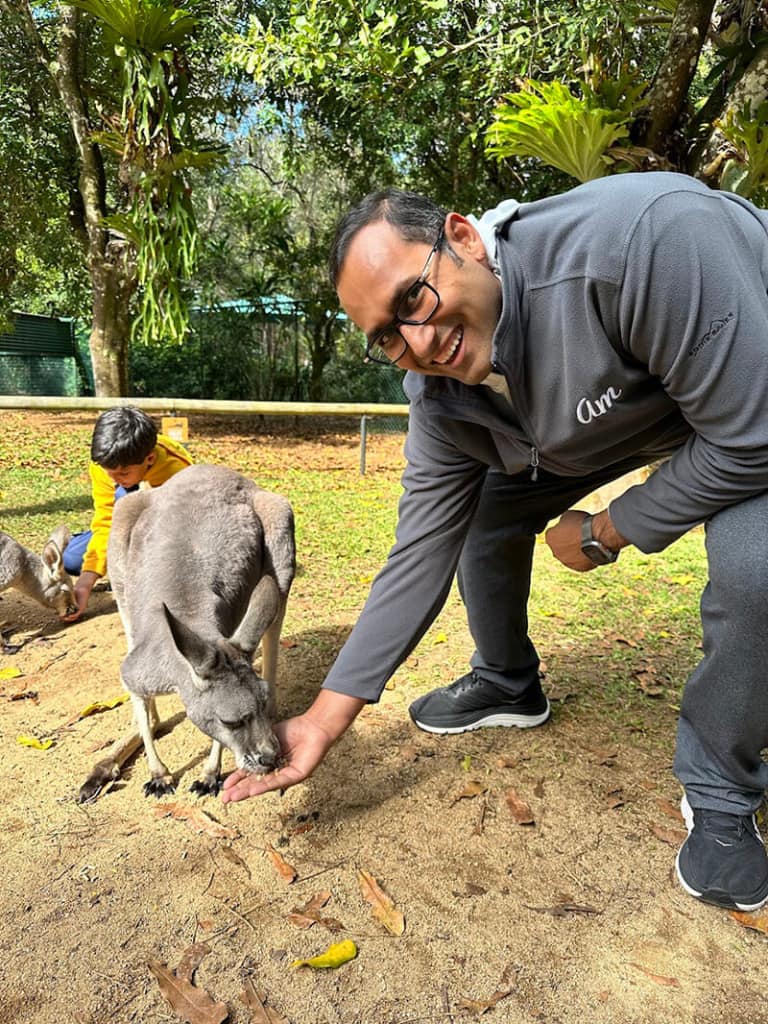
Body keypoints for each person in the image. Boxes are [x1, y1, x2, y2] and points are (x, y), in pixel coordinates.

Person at [222, 171, 768, 914]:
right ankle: (509, 681)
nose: (415, 341)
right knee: (482, 511)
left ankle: (720, 789)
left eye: (411, 300)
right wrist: (322, 719)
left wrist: (611, 530)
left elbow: (749, 441)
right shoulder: (441, 399)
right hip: (613, 421)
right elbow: (417, 554)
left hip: (752, 399)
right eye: (386, 335)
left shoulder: (645, 241)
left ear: (463, 238)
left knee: (756, 569)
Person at [63, 406, 193, 620]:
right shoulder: (105, 464)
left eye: (123, 473)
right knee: (72, 559)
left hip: (169, 527)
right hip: (126, 522)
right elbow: (106, 520)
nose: (114, 478)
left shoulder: (176, 470)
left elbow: (183, 531)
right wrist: (86, 581)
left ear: (149, 459)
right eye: (110, 473)